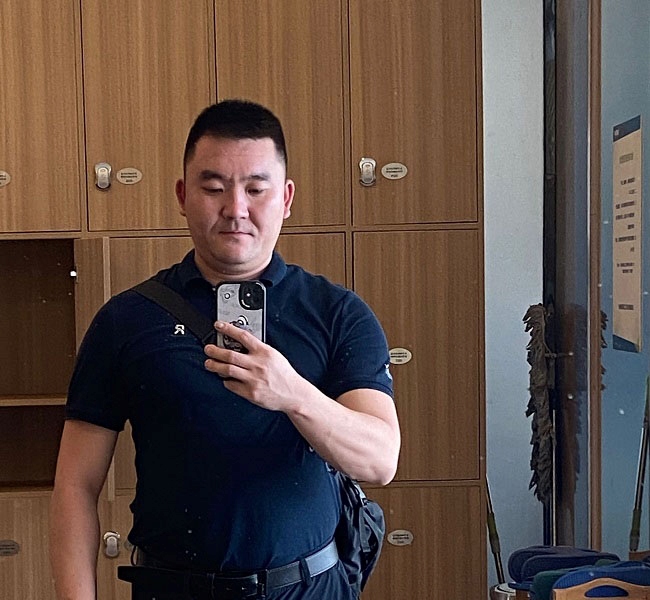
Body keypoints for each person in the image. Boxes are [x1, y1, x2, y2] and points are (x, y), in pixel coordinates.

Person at [49, 99, 400, 600]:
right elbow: (76, 486)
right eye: (213, 188)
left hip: (309, 588)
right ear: (182, 195)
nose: (235, 209)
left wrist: (293, 394)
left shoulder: (337, 313)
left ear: (286, 197)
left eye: (256, 189)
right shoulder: (127, 320)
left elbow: (380, 461)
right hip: (172, 589)